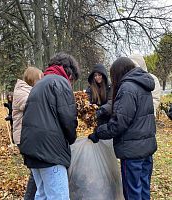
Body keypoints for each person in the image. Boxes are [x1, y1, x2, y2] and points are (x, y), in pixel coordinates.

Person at [88, 57, 157, 200]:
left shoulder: (127, 88)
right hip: (146, 149)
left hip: (132, 152)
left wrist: (99, 132)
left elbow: (119, 123)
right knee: (144, 189)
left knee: (133, 192)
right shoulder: (144, 85)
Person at [19, 52, 80, 200]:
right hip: (50, 152)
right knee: (59, 196)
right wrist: (72, 138)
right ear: (69, 72)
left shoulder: (39, 84)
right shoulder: (60, 82)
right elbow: (68, 118)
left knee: (42, 195)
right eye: (72, 80)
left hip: (32, 148)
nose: (71, 83)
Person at [12, 66, 43, 200]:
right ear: (32, 79)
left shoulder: (28, 90)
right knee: (34, 171)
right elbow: (30, 104)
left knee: (36, 171)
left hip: (27, 135)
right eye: (39, 79)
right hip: (23, 137)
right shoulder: (21, 91)